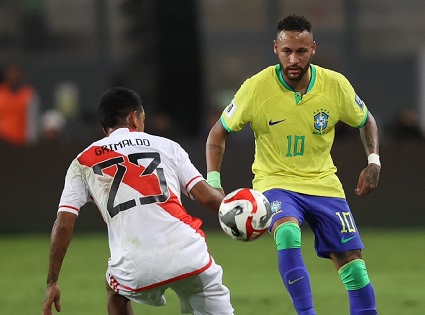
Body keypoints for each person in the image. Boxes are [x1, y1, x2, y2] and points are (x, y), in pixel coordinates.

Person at [205, 15, 380, 315]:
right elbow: (218, 133)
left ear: (313, 48)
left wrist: (373, 161)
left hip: (324, 184)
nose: (293, 59)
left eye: (301, 51)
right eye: (287, 51)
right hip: (275, 182)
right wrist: (214, 181)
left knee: (355, 270)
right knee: (287, 233)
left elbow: (366, 121)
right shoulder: (256, 88)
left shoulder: (334, 85)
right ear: (276, 49)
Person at [43, 87, 234, 315]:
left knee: (116, 292)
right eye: (142, 118)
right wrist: (238, 208)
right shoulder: (167, 146)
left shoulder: (82, 162)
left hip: (135, 266)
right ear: (134, 117)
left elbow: (63, 224)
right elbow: (211, 199)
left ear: (104, 128)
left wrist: (52, 281)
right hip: (189, 255)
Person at [0, 63, 41, 145]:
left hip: (20, 143)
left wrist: (30, 143)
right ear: (5, 75)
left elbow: (32, 122)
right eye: (11, 73)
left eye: (16, 74)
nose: (14, 77)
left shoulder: (29, 94)